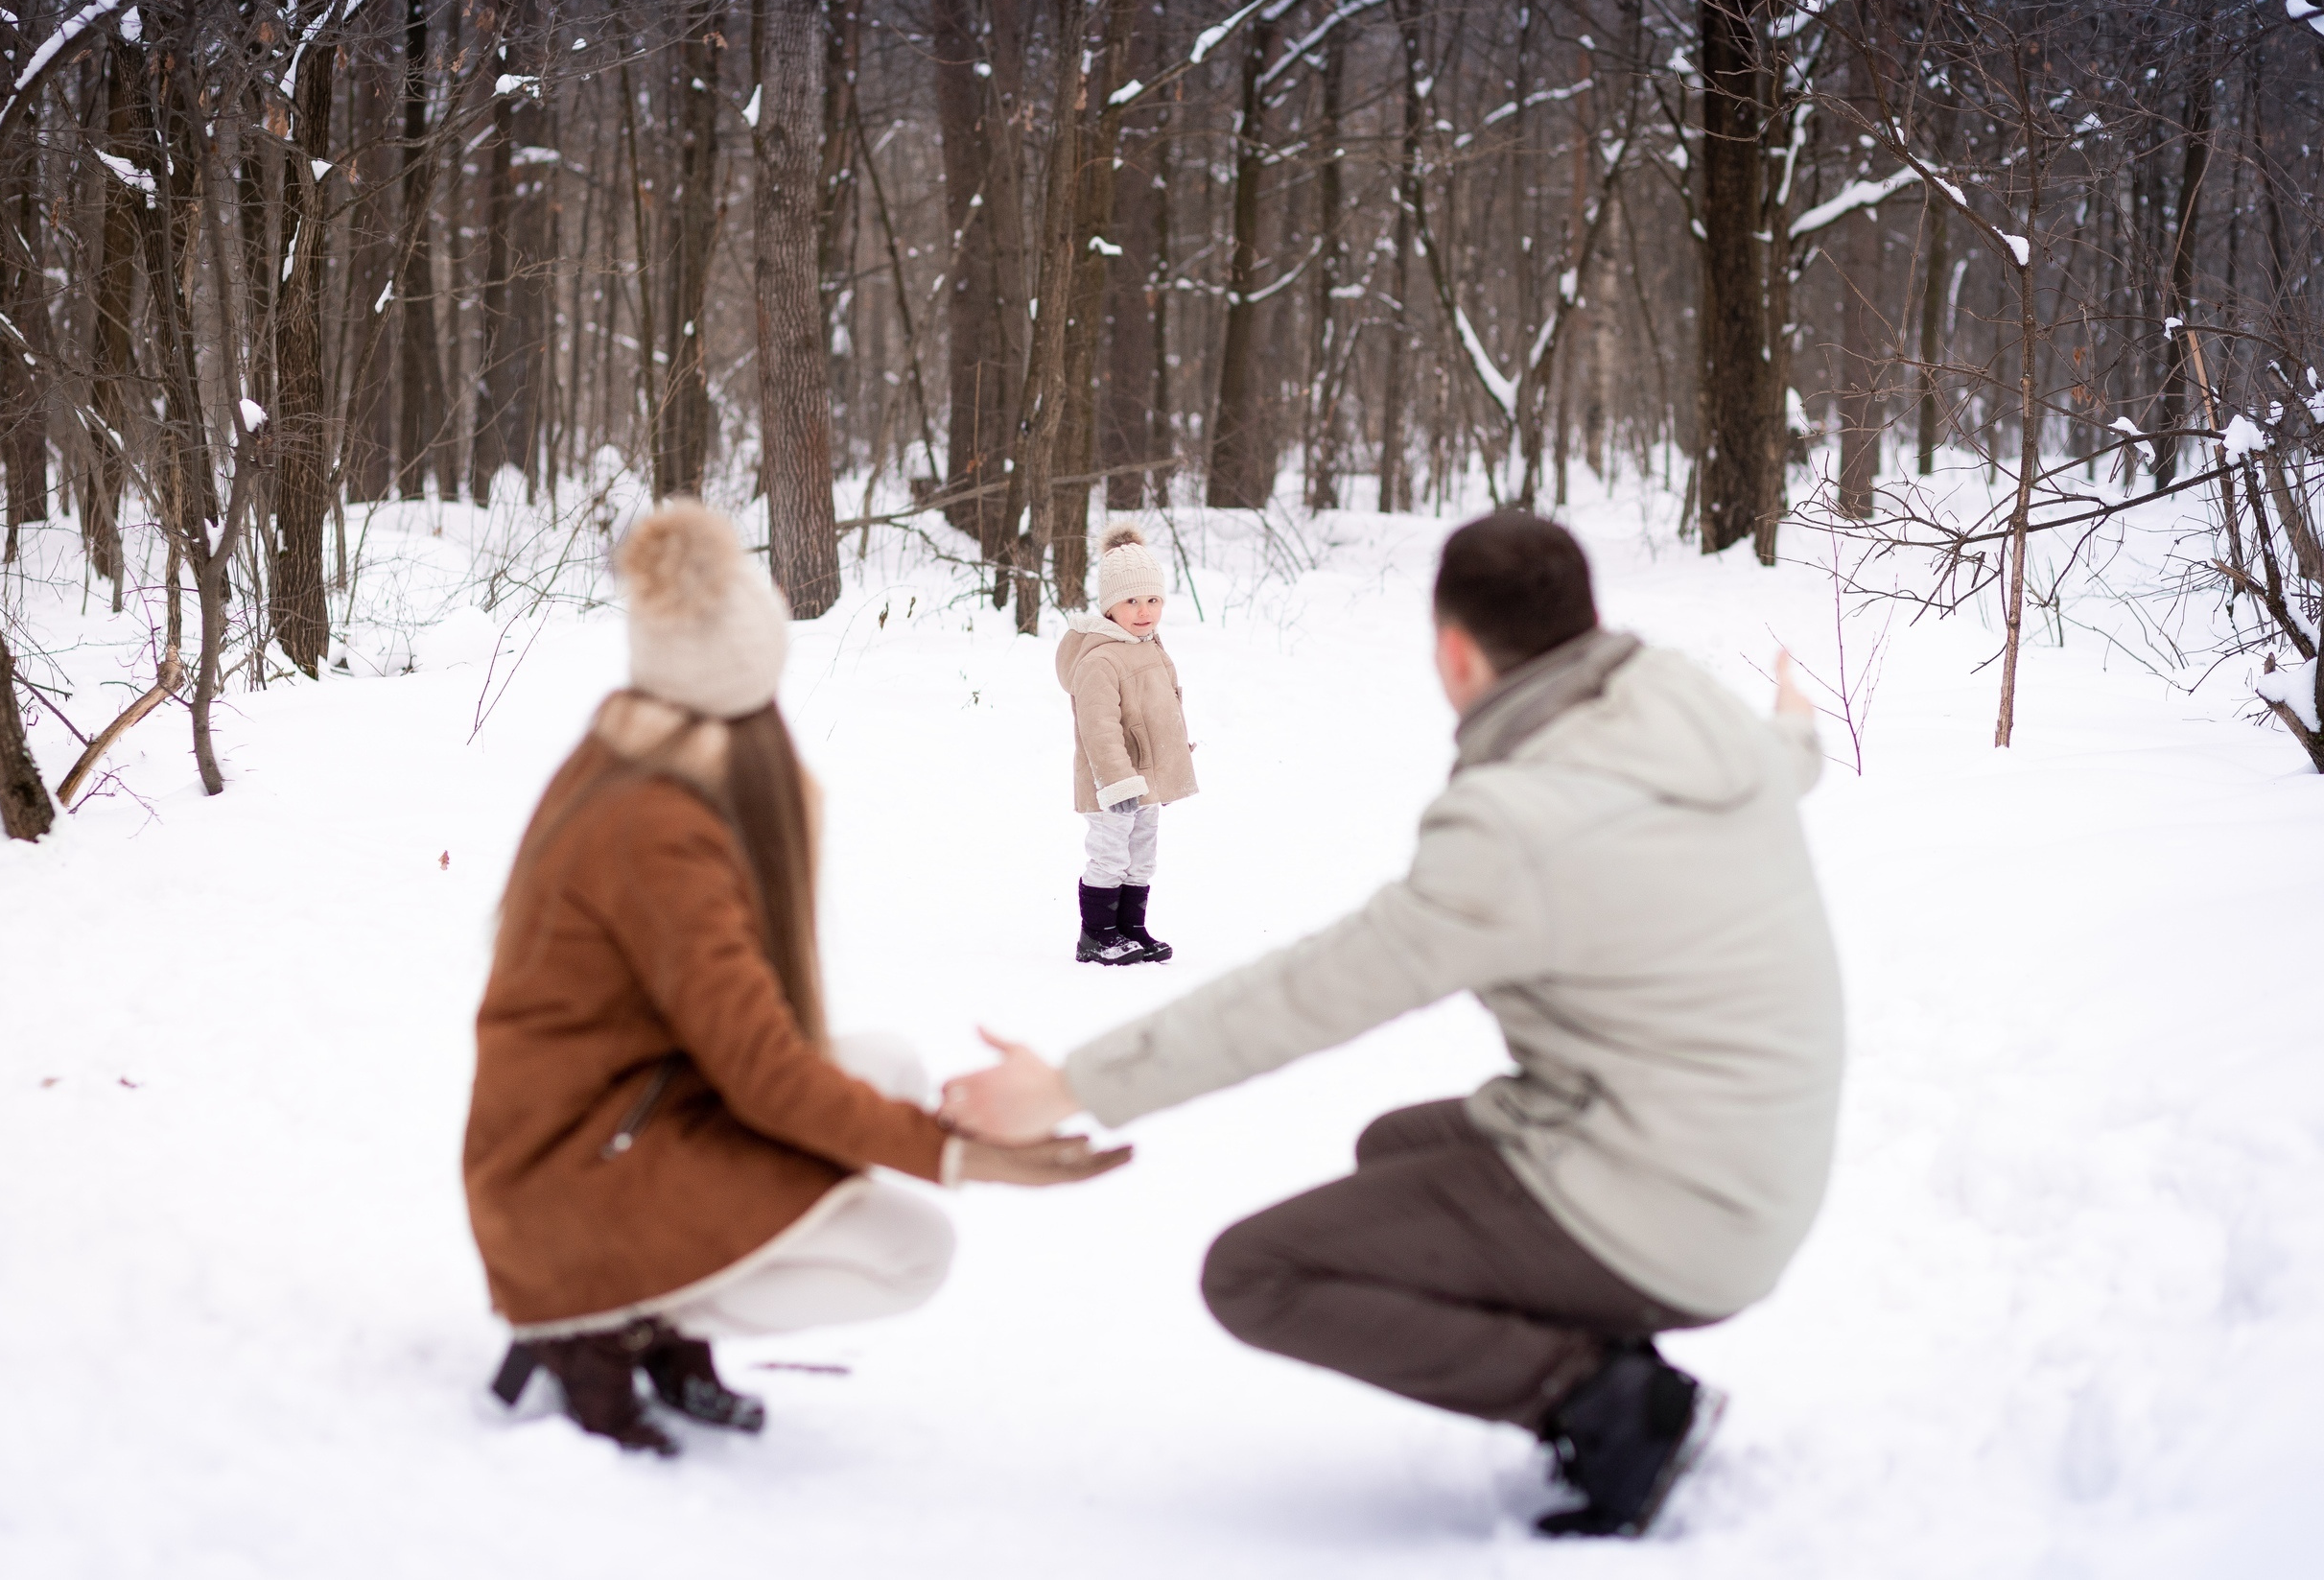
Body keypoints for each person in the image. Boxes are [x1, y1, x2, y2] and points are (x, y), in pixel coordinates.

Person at [945, 511, 1842, 1537]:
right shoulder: (1685, 709)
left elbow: (1307, 992)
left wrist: (1070, 1084)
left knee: (1257, 1274)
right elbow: (1787, 759)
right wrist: (1793, 719)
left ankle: (1611, 1405)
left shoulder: (1517, 819)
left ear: (1455, 652)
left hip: (1686, 1208)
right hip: (1757, 1158)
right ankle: (1607, 1354)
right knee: (1397, 1148)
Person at [464, 502, 1128, 1455]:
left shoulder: (627, 750)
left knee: (888, 1063)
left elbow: (751, 1057)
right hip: (571, 1179)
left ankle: (658, 1310)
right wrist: (960, 1156)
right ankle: (603, 1317)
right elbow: (765, 1077)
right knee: (912, 1252)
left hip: (611, 1124)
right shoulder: (656, 828)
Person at [1057, 525, 1197, 965]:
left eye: (1152, 600)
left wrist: (1171, 749)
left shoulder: (1149, 644)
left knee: (1142, 855)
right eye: (1131, 601)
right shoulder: (1101, 658)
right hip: (1113, 784)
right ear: (1110, 606)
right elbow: (1099, 729)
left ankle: (1131, 929)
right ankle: (1096, 934)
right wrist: (1117, 782)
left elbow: (1161, 705)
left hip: (1147, 778)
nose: (1144, 611)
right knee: (1110, 854)